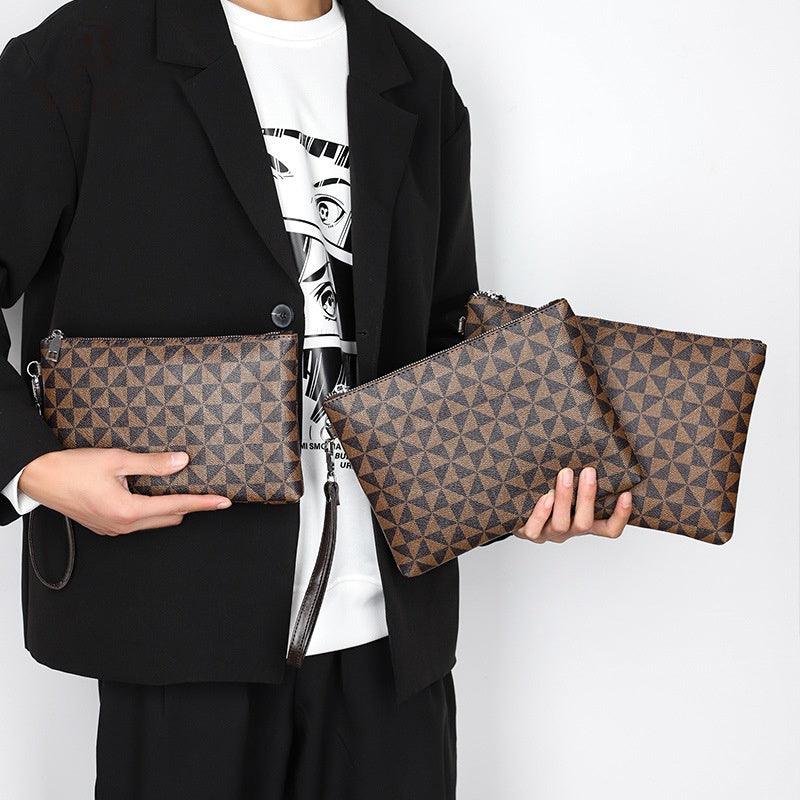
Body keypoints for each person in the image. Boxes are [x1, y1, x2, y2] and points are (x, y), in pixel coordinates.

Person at [0, 0, 633, 796]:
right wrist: (32, 469)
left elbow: (442, 335)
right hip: (178, 632)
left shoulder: (413, 76)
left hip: (392, 642)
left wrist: (529, 481)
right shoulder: (82, 56)